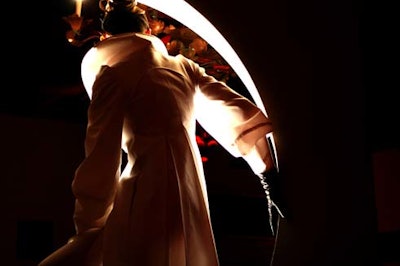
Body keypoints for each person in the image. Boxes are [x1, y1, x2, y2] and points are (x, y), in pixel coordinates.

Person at [39, 0, 283, 265]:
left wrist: (89, 224)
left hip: (143, 190)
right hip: (190, 193)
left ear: (106, 37)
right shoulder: (184, 67)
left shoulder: (113, 74)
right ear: (148, 32)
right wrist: (266, 171)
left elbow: (101, 153)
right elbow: (234, 110)